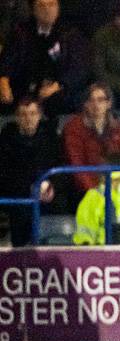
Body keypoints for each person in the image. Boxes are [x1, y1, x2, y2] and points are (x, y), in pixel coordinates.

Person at [0, 0, 90, 117]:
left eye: (52, 4)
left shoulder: (70, 34)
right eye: (41, 5)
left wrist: (56, 86)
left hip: (58, 87)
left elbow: (79, 67)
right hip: (24, 86)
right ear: (33, 10)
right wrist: (3, 81)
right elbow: (8, 59)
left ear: (58, 8)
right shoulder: (21, 33)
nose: (47, 9)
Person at [0, 97, 61, 246]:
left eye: (33, 113)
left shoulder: (50, 139)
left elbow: (60, 169)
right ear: (16, 117)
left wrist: (52, 187)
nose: (28, 118)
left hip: (47, 194)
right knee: (21, 210)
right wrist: (30, 188)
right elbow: (5, 174)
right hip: (17, 194)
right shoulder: (6, 140)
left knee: (61, 205)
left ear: (39, 115)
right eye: (23, 114)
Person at [63, 83, 120, 195]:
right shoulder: (74, 128)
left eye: (100, 100)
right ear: (85, 104)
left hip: (117, 187)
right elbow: (76, 164)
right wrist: (95, 191)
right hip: (85, 191)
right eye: (91, 100)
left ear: (109, 103)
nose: (96, 105)